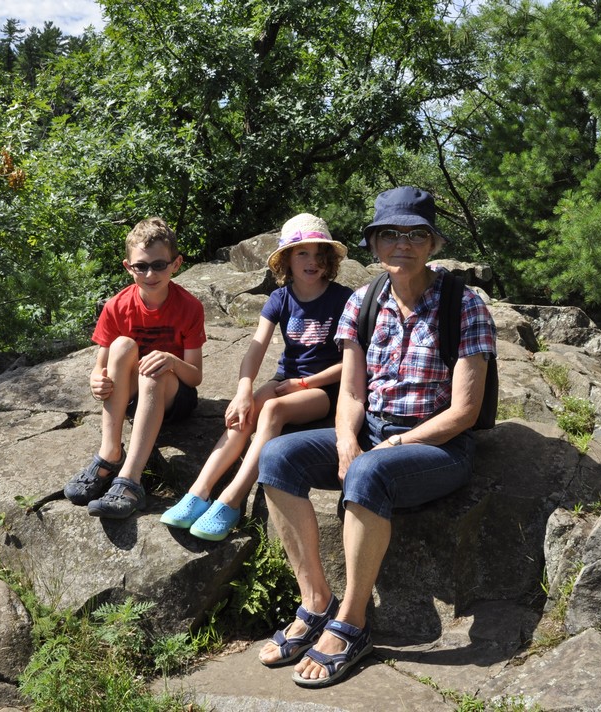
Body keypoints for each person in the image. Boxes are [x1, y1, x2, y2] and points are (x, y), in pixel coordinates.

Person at [254, 187, 496, 687]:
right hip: (371, 432)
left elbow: (464, 412)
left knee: (368, 470)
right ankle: (316, 602)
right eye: (389, 234)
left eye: (415, 234)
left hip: (438, 446)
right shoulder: (363, 301)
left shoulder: (464, 305)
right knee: (277, 457)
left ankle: (352, 622)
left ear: (432, 242)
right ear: (373, 243)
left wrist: (394, 446)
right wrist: (346, 438)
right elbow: (351, 392)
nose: (401, 244)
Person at [159, 214, 353, 541]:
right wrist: (243, 391)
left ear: (329, 259)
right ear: (286, 259)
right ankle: (198, 492)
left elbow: (352, 362)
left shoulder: (343, 298)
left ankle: (231, 500)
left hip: (325, 389)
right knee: (244, 412)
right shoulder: (280, 299)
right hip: (285, 379)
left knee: (273, 410)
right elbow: (255, 348)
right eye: (302, 253)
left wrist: (305, 383)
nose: (312, 261)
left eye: (319, 253)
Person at [63, 217, 207, 520]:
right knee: (122, 346)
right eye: (141, 266)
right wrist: (97, 379)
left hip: (174, 398)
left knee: (153, 371)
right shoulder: (116, 306)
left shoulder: (189, 306)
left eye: (159, 265)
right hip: (132, 398)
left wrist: (171, 361)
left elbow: (195, 376)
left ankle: (130, 479)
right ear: (128, 267)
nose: (150, 274)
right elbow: (101, 367)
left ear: (176, 264)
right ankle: (110, 452)